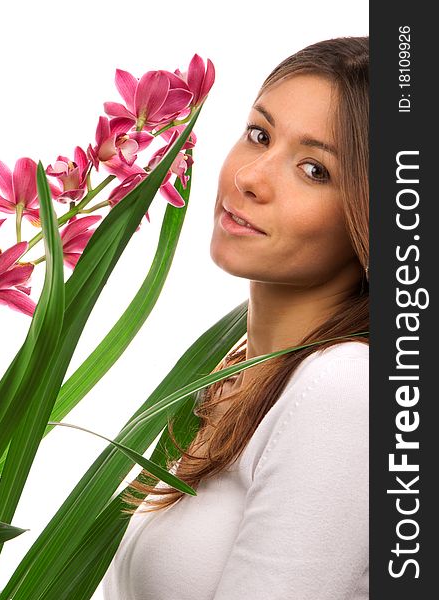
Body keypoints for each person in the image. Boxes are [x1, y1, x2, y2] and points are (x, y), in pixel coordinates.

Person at [103, 35, 369, 600]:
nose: (250, 178)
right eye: (259, 134)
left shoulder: (345, 386)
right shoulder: (237, 370)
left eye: (314, 170)